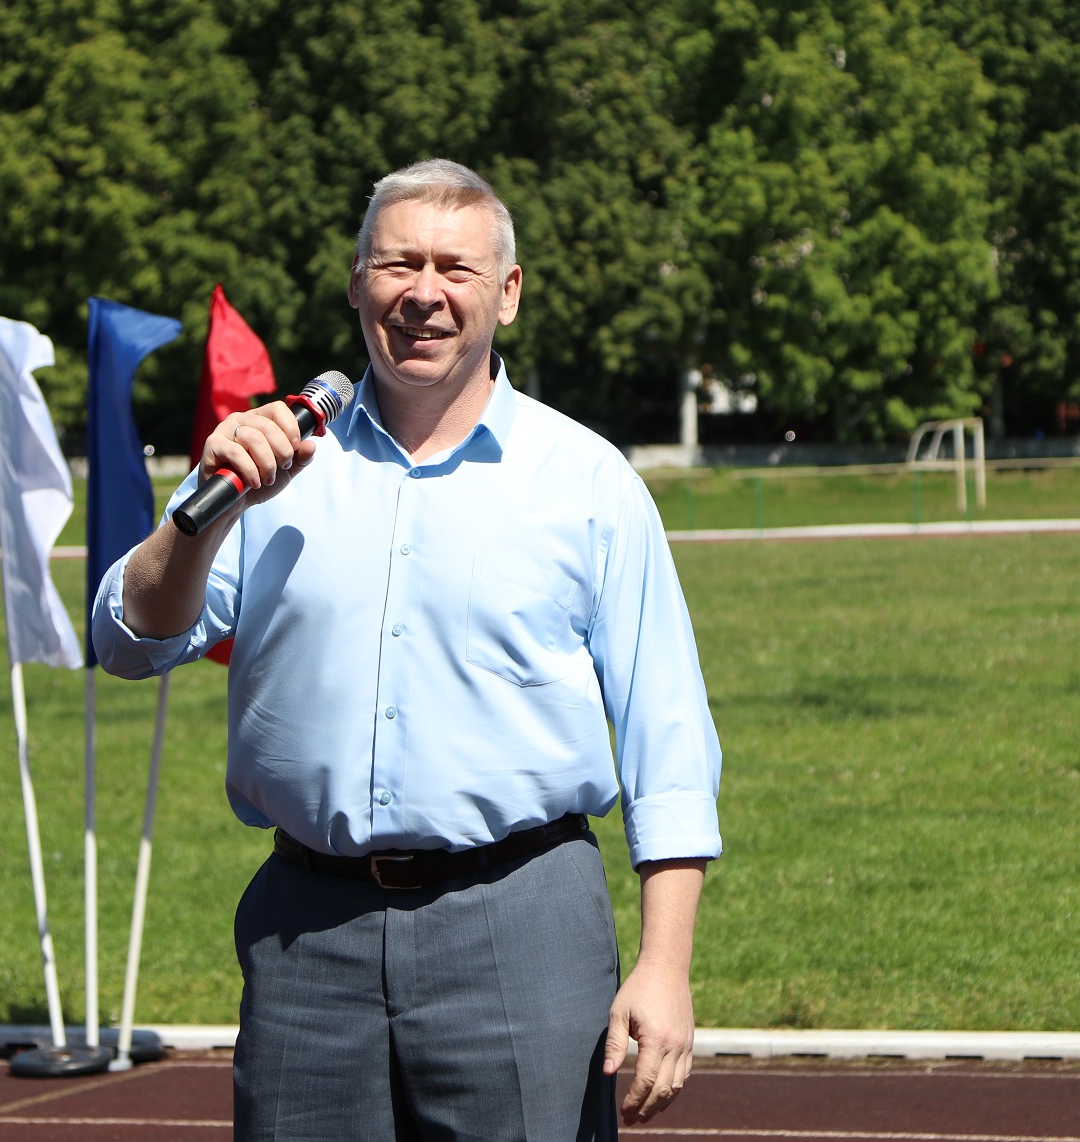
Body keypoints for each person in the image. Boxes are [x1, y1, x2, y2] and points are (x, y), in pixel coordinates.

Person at [94, 158, 722, 1141]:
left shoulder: (586, 481)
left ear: (507, 293)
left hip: (523, 922)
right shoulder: (270, 465)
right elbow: (129, 638)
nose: (423, 293)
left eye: (455, 268)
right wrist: (200, 512)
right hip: (309, 930)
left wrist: (665, 963)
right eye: (398, 264)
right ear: (357, 285)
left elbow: (667, 739)